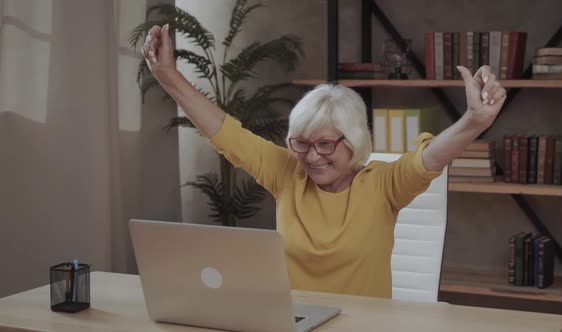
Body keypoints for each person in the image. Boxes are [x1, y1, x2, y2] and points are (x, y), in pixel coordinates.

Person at [141, 24, 506, 298]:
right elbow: (226, 134)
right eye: (301, 142)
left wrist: (473, 122)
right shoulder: (287, 173)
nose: (312, 156)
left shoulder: (382, 185)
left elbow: (428, 158)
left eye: (326, 144)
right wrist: (168, 76)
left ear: (354, 142)